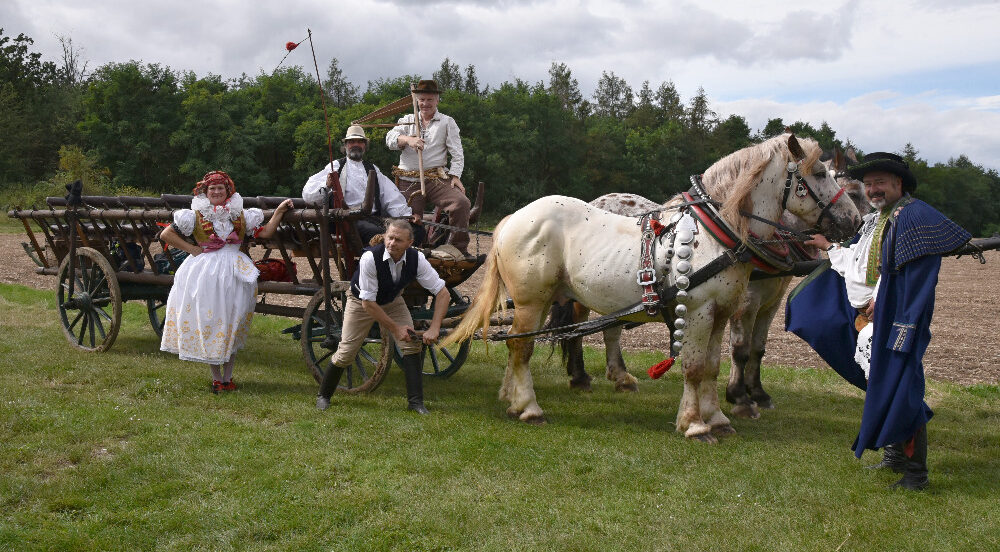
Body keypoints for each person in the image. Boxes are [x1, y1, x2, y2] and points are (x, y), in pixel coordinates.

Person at [806, 152, 970, 491]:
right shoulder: (876, 221)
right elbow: (858, 265)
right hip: (872, 319)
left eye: (880, 182)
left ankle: (916, 475)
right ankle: (896, 458)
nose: (873, 189)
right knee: (887, 386)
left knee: (904, 390)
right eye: (868, 184)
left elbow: (914, 279)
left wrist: (893, 315)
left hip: (896, 321)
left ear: (899, 184)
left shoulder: (913, 217)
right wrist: (830, 247)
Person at [160, 171, 293, 393]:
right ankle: (216, 378)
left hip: (234, 272)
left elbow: (268, 231)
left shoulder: (240, 214)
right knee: (212, 321)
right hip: (205, 273)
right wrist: (193, 249)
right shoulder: (194, 214)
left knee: (232, 321)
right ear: (205, 192)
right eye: (212, 189)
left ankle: (228, 378)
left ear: (228, 191)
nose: (216, 192)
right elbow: (166, 235)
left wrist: (279, 211)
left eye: (220, 188)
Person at [315, 219, 450, 414]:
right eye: (390, 238)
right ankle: (323, 396)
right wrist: (396, 328)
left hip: (392, 301)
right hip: (361, 303)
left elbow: (443, 293)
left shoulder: (417, 259)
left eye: (398, 240)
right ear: (385, 236)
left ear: (410, 243)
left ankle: (416, 403)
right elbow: (368, 304)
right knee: (346, 352)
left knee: (412, 346)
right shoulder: (370, 258)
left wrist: (435, 327)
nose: (392, 243)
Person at [385, 79, 471, 256]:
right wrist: (409, 140)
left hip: (436, 178)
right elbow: (390, 140)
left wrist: (455, 176)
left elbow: (457, 153)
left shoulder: (447, 122)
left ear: (437, 100)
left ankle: (457, 249)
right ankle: (407, 255)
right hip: (407, 180)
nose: (425, 104)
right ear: (416, 100)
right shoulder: (407, 120)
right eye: (422, 99)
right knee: (408, 221)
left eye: (429, 99)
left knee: (461, 203)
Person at [303, 125, 425, 246]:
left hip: (375, 220)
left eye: (360, 141)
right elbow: (308, 195)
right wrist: (327, 185)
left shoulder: (373, 169)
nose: (356, 144)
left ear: (365, 146)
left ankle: (401, 261)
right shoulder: (336, 166)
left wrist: (407, 216)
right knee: (378, 234)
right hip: (347, 222)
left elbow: (391, 196)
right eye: (351, 142)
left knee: (416, 231)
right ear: (345, 145)